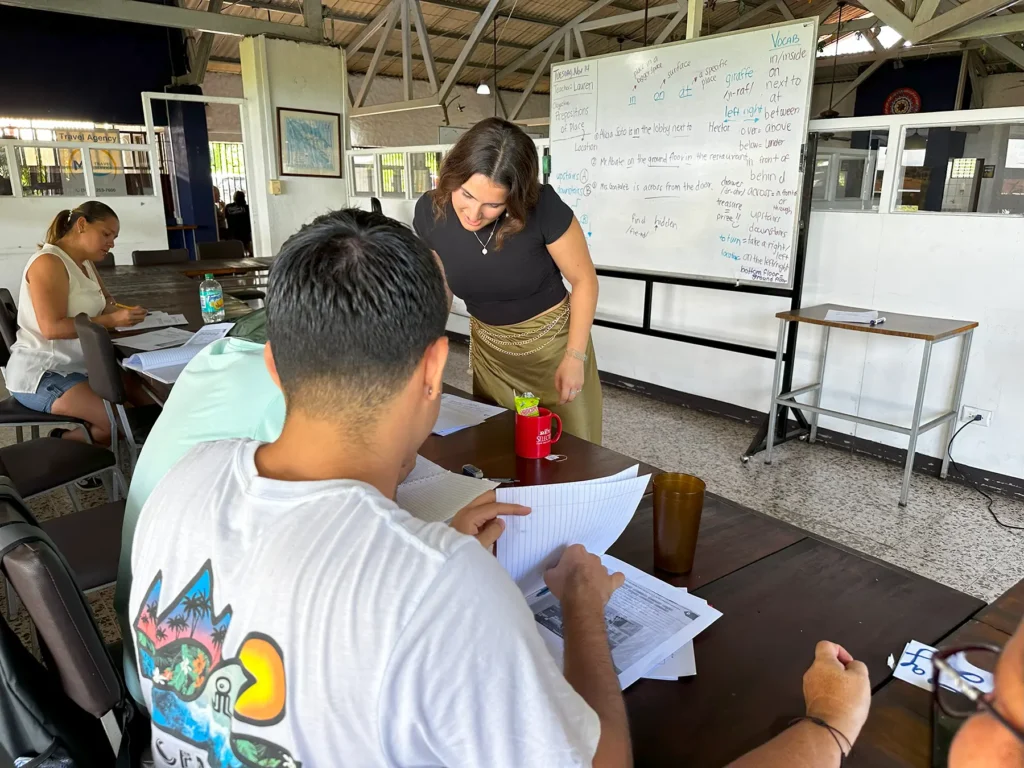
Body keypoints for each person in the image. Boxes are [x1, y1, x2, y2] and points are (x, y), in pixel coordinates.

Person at [128, 208, 631, 767]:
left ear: (273, 365)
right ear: (434, 368)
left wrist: (424, 542)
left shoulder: (185, 477)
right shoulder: (439, 583)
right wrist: (583, 606)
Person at [413, 118, 603, 443]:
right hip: (491, 353)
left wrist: (575, 356)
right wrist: (430, 345)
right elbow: (442, 281)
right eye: (467, 195)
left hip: (554, 348)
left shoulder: (543, 207)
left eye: (493, 204)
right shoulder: (432, 211)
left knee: (570, 448)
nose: (474, 213)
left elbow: (584, 281)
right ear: (451, 178)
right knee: (495, 445)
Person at [4, 202, 147, 444]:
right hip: (44, 372)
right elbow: (52, 328)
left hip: (83, 365)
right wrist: (110, 319)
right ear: (82, 225)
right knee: (122, 422)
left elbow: (106, 303)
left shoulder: (85, 262)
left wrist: (123, 313)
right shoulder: (48, 262)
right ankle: (62, 443)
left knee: (152, 402)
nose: (111, 243)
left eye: (114, 237)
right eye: (106, 234)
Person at [224, 189, 252, 255]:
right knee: (248, 247)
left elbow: (225, 217)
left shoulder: (228, 207)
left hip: (232, 232)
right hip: (245, 231)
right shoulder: (246, 207)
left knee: (235, 249)